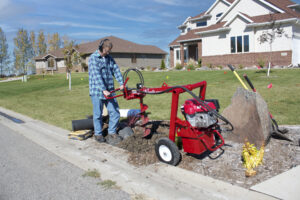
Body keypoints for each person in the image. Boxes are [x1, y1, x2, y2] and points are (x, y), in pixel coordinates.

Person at [88, 38, 124, 143]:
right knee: (98, 114)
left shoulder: (109, 58)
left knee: (115, 112)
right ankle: (98, 134)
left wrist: (121, 83)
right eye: (106, 51)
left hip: (110, 91)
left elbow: (116, 70)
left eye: (109, 51)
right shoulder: (93, 58)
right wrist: (103, 89)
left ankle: (112, 132)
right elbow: (96, 75)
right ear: (101, 48)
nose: (108, 53)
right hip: (97, 91)